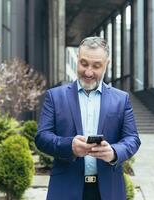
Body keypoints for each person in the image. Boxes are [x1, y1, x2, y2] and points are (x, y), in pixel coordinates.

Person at [35, 36, 141, 200]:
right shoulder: (54, 96)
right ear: (77, 59)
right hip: (65, 189)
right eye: (84, 63)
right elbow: (42, 138)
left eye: (96, 66)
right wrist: (69, 146)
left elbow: (132, 139)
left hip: (109, 191)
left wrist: (113, 152)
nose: (88, 71)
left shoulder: (121, 99)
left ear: (107, 64)